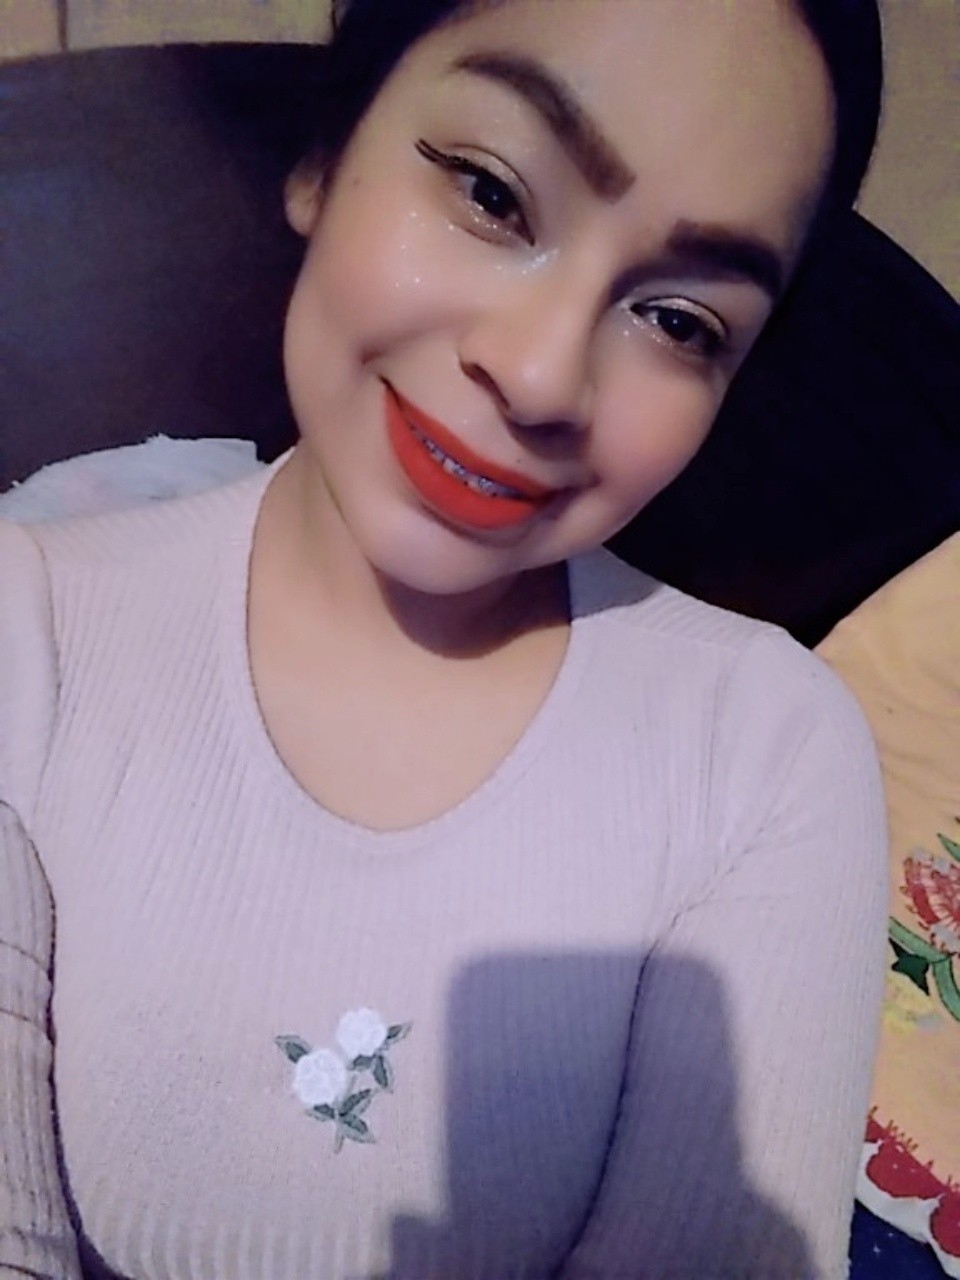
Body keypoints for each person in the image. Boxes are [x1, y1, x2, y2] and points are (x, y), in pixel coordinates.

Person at [0, 1, 888, 1277]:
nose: (541, 374)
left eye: (679, 320)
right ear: (326, 154)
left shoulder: (763, 753)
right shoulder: (30, 635)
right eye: (491, 192)